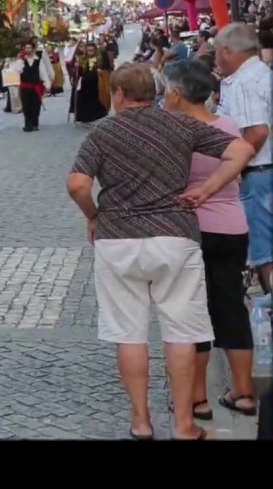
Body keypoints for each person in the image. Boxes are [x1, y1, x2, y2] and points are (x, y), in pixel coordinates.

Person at [66, 63, 254, 441]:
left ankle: (141, 422)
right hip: (175, 236)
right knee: (182, 333)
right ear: (153, 92)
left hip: (118, 239)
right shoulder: (179, 124)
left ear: (118, 95)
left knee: (130, 335)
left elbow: (77, 184)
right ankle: (185, 425)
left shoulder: (104, 131)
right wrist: (209, 189)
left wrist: (93, 215)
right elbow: (242, 149)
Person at [161, 60, 258, 419]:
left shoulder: (172, 131)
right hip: (232, 227)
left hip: (189, 228)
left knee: (191, 313)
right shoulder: (228, 125)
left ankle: (196, 398)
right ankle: (244, 392)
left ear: (175, 93)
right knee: (231, 306)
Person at [213, 23, 273, 293]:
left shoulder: (244, 82)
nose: (215, 58)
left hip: (258, 173)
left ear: (227, 51)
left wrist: (233, 168)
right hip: (261, 172)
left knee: (264, 253)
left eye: (216, 52)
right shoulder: (260, 74)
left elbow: (257, 130)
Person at [12, 39, 54, 132]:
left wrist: (47, 84)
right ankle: (27, 124)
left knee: (36, 106)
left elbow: (43, 73)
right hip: (25, 87)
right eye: (26, 48)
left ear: (33, 49)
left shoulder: (38, 61)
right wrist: (21, 61)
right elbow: (16, 71)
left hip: (35, 86)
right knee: (26, 106)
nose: (28, 50)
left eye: (29, 48)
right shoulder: (21, 61)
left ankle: (35, 123)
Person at [70, 41, 109, 126]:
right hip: (85, 84)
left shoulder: (100, 59)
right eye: (88, 50)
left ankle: (97, 115)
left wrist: (101, 71)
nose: (90, 52)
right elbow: (79, 73)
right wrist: (77, 66)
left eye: (92, 50)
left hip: (96, 84)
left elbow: (107, 69)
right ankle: (83, 117)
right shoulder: (83, 59)